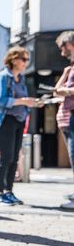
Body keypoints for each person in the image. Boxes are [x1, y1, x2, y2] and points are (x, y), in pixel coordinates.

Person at [0, 46, 40, 206]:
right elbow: (0, 100)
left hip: (19, 120)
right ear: (13, 59)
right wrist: (22, 101)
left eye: (27, 59)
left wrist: (31, 103)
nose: (26, 62)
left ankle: (8, 191)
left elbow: (22, 99)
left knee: (14, 158)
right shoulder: (3, 77)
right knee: (6, 157)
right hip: (5, 120)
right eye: (23, 59)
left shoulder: (22, 78)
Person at [54, 31, 74, 211]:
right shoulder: (71, 68)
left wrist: (67, 91)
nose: (61, 53)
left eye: (62, 47)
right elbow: (56, 90)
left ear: (69, 44)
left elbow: (60, 91)